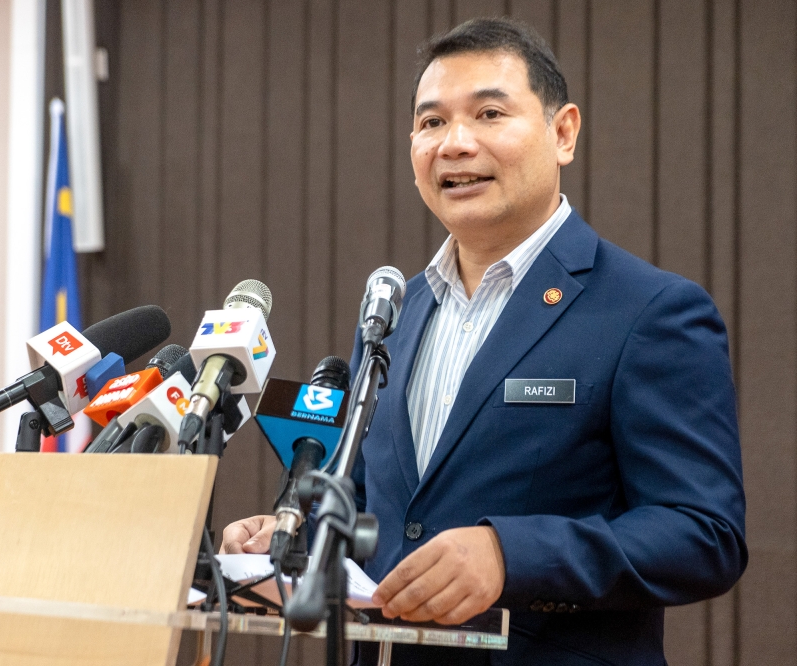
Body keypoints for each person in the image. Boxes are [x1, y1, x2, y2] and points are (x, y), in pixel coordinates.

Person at [222, 17, 746, 665]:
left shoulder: (650, 311)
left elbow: (704, 535)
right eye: (432, 122)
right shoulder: (395, 312)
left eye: (490, 113)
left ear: (563, 133)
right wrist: (294, 534)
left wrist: (510, 555)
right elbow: (371, 502)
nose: (455, 143)